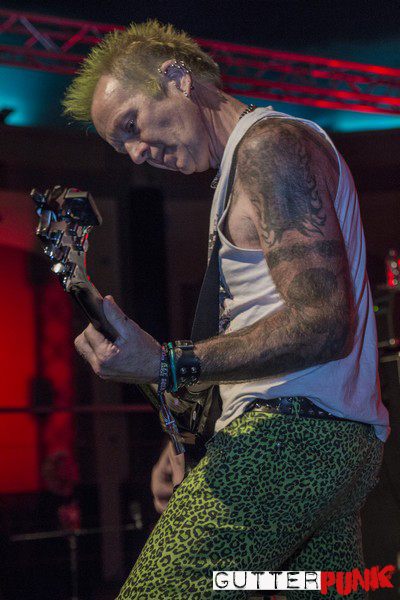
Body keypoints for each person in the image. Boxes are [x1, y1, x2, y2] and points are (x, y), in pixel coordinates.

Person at [63, 20, 390, 599]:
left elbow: (322, 322)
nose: (137, 154)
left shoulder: (269, 147)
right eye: (122, 146)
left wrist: (166, 362)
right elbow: (264, 328)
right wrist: (187, 436)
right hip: (333, 448)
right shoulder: (243, 169)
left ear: (177, 77)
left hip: (285, 443)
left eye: (132, 125)